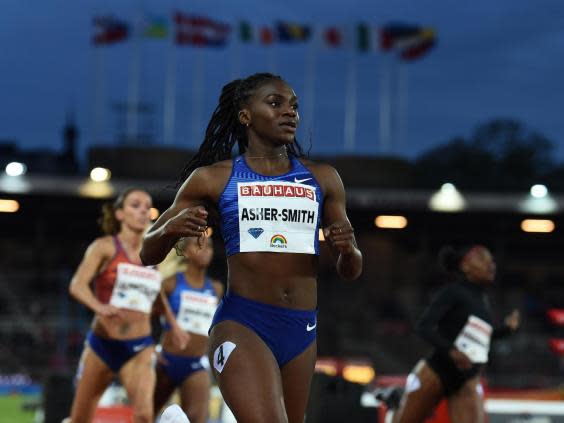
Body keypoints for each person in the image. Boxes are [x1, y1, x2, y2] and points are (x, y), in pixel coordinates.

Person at [140, 72, 363, 423]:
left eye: (294, 106)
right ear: (245, 115)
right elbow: (146, 252)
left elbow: (351, 271)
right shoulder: (214, 178)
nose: (290, 112)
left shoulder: (323, 179)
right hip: (244, 323)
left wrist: (349, 251)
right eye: (275, 103)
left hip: (302, 331)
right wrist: (169, 227)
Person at [392, 245, 520, 423]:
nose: (491, 264)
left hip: (466, 380)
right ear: (465, 266)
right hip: (436, 371)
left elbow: (481, 339)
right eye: (483, 258)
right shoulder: (452, 292)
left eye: (492, 260)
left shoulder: (483, 301)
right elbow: (424, 326)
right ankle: (393, 403)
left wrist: (507, 329)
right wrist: (451, 351)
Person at [68, 188, 165, 423]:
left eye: (147, 206)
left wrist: (169, 325)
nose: (143, 210)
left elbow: (156, 298)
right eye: (135, 205)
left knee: (144, 416)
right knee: (80, 418)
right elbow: (77, 285)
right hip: (102, 344)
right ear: (119, 214)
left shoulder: (154, 255)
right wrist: (100, 307)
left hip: (139, 347)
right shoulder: (104, 247)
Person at [153, 235, 223, 422]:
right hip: (166, 362)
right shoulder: (171, 283)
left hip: (195, 364)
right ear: (186, 252)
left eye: (208, 245)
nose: (206, 248)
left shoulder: (216, 289)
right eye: (198, 245)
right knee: (145, 416)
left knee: (197, 420)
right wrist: (150, 348)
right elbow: (145, 312)